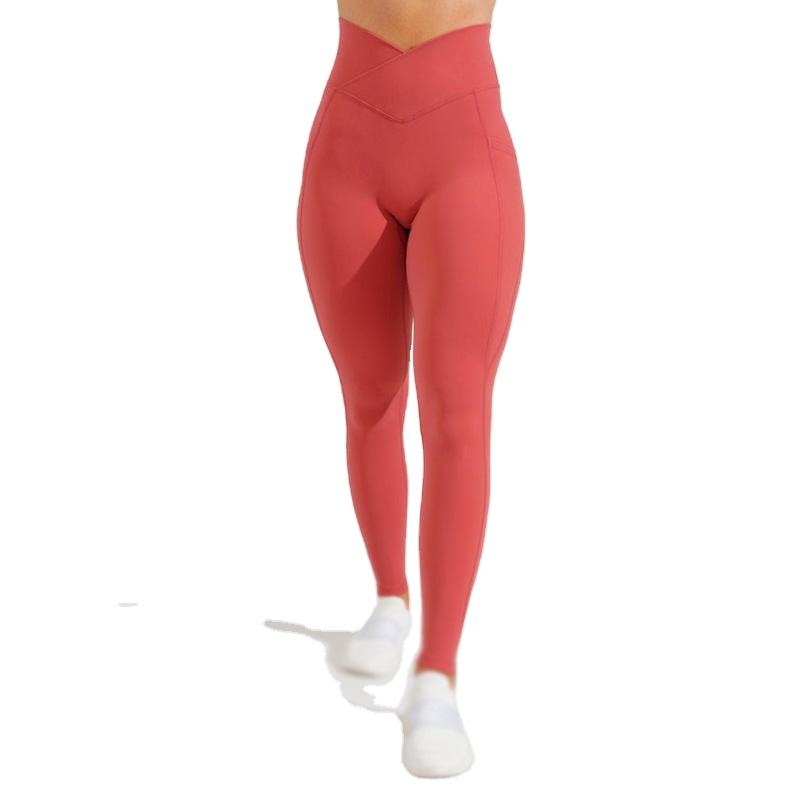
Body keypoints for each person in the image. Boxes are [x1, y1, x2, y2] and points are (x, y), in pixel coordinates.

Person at [296, 0, 525, 778]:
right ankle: (390, 599)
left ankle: (437, 674)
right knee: (369, 397)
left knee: (458, 415)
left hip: (462, 152)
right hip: (347, 147)